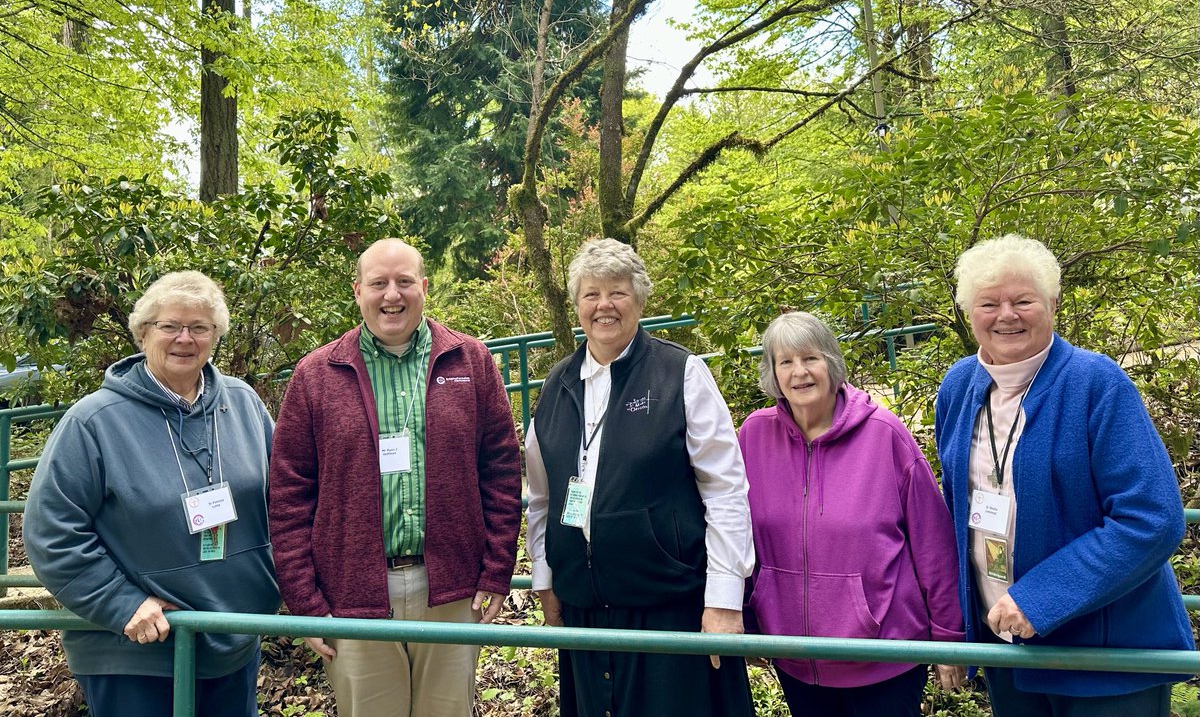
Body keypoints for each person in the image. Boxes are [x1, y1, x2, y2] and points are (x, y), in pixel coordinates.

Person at [936, 235, 1194, 716]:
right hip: (1006, 647)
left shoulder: (1095, 383)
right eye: (988, 303)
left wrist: (1040, 598)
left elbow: (1152, 519)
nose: (1006, 315)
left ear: (1052, 303)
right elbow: (958, 508)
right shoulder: (959, 386)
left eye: (1023, 300)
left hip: (1104, 654)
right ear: (969, 312)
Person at [268, 238, 522, 717]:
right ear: (357, 291)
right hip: (351, 595)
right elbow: (288, 494)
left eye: (404, 282)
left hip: (452, 590)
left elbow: (502, 472)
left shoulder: (471, 362)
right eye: (379, 283)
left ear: (424, 287)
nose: (392, 295)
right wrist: (305, 601)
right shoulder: (316, 375)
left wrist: (496, 570)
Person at [23, 271, 279, 717]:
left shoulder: (243, 404)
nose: (185, 338)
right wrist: (121, 603)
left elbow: (285, 499)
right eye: (169, 326)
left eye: (200, 327)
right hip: (138, 648)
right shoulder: (94, 421)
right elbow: (52, 531)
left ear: (215, 335)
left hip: (234, 635)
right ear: (143, 333)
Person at [525, 237, 755, 717]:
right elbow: (542, 497)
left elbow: (726, 489)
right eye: (591, 294)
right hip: (585, 612)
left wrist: (725, 600)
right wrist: (546, 580)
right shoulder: (556, 385)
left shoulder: (681, 373)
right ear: (577, 304)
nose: (603, 305)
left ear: (640, 299)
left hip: (669, 607)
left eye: (617, 292)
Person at [738, 311, 964, 717]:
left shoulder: (884, 433)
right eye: (785, 362)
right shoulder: (753, 436)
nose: (799, 372)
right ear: (773, 373)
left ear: (832, 362)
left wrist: (949, 636)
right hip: (795, 656)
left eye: (811, 358)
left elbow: (934, 544)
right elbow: (735, 534)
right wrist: (747, 620)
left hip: (883, 656)